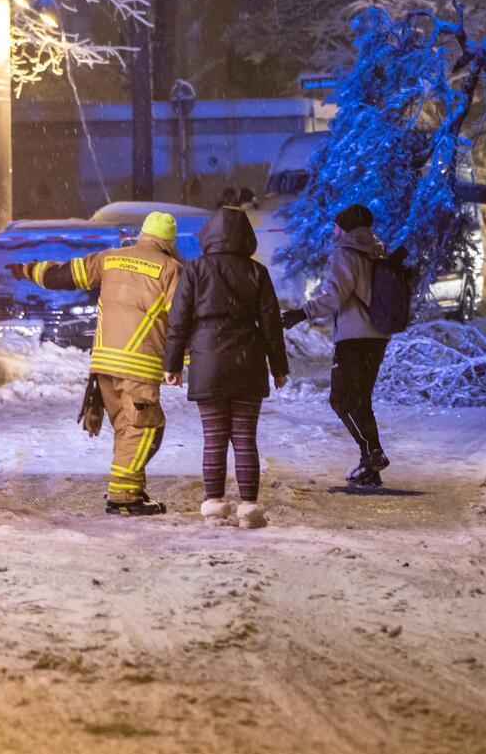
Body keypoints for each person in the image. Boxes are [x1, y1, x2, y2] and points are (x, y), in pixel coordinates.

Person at [11, 211, 185, 515]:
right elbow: (180, 320)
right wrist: (180, 361)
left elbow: (63, 275)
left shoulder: (111, 258)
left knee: (125, 426)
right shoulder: (171, 269)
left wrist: (29, 270)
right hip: (139, 364)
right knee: (145, 428)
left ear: (143, 234)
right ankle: (123, 496)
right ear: (168, 242)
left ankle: (133, 489)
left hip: (104, 363)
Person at [163, 206, 289, 528]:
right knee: (245, 438)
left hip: (208, 361)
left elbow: (178, 320)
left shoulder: (195, 270)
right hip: (248, 359)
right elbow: (271, 322)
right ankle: (249, 508)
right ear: (246, 237)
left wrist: (172, 363)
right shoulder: (256, 272)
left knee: (214, 438)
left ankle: (215, 505)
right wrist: (278, 366)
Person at [282, 204, 391, 487]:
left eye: (335, 226)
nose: (332, 232)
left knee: (341, 400)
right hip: (377, 337)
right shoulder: (377, 250)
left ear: (344, 228)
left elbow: (335, 296)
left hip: (353, 337)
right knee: (361, 400)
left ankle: (373, 452)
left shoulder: (345, 252)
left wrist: (302, 312)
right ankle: (371, 463)